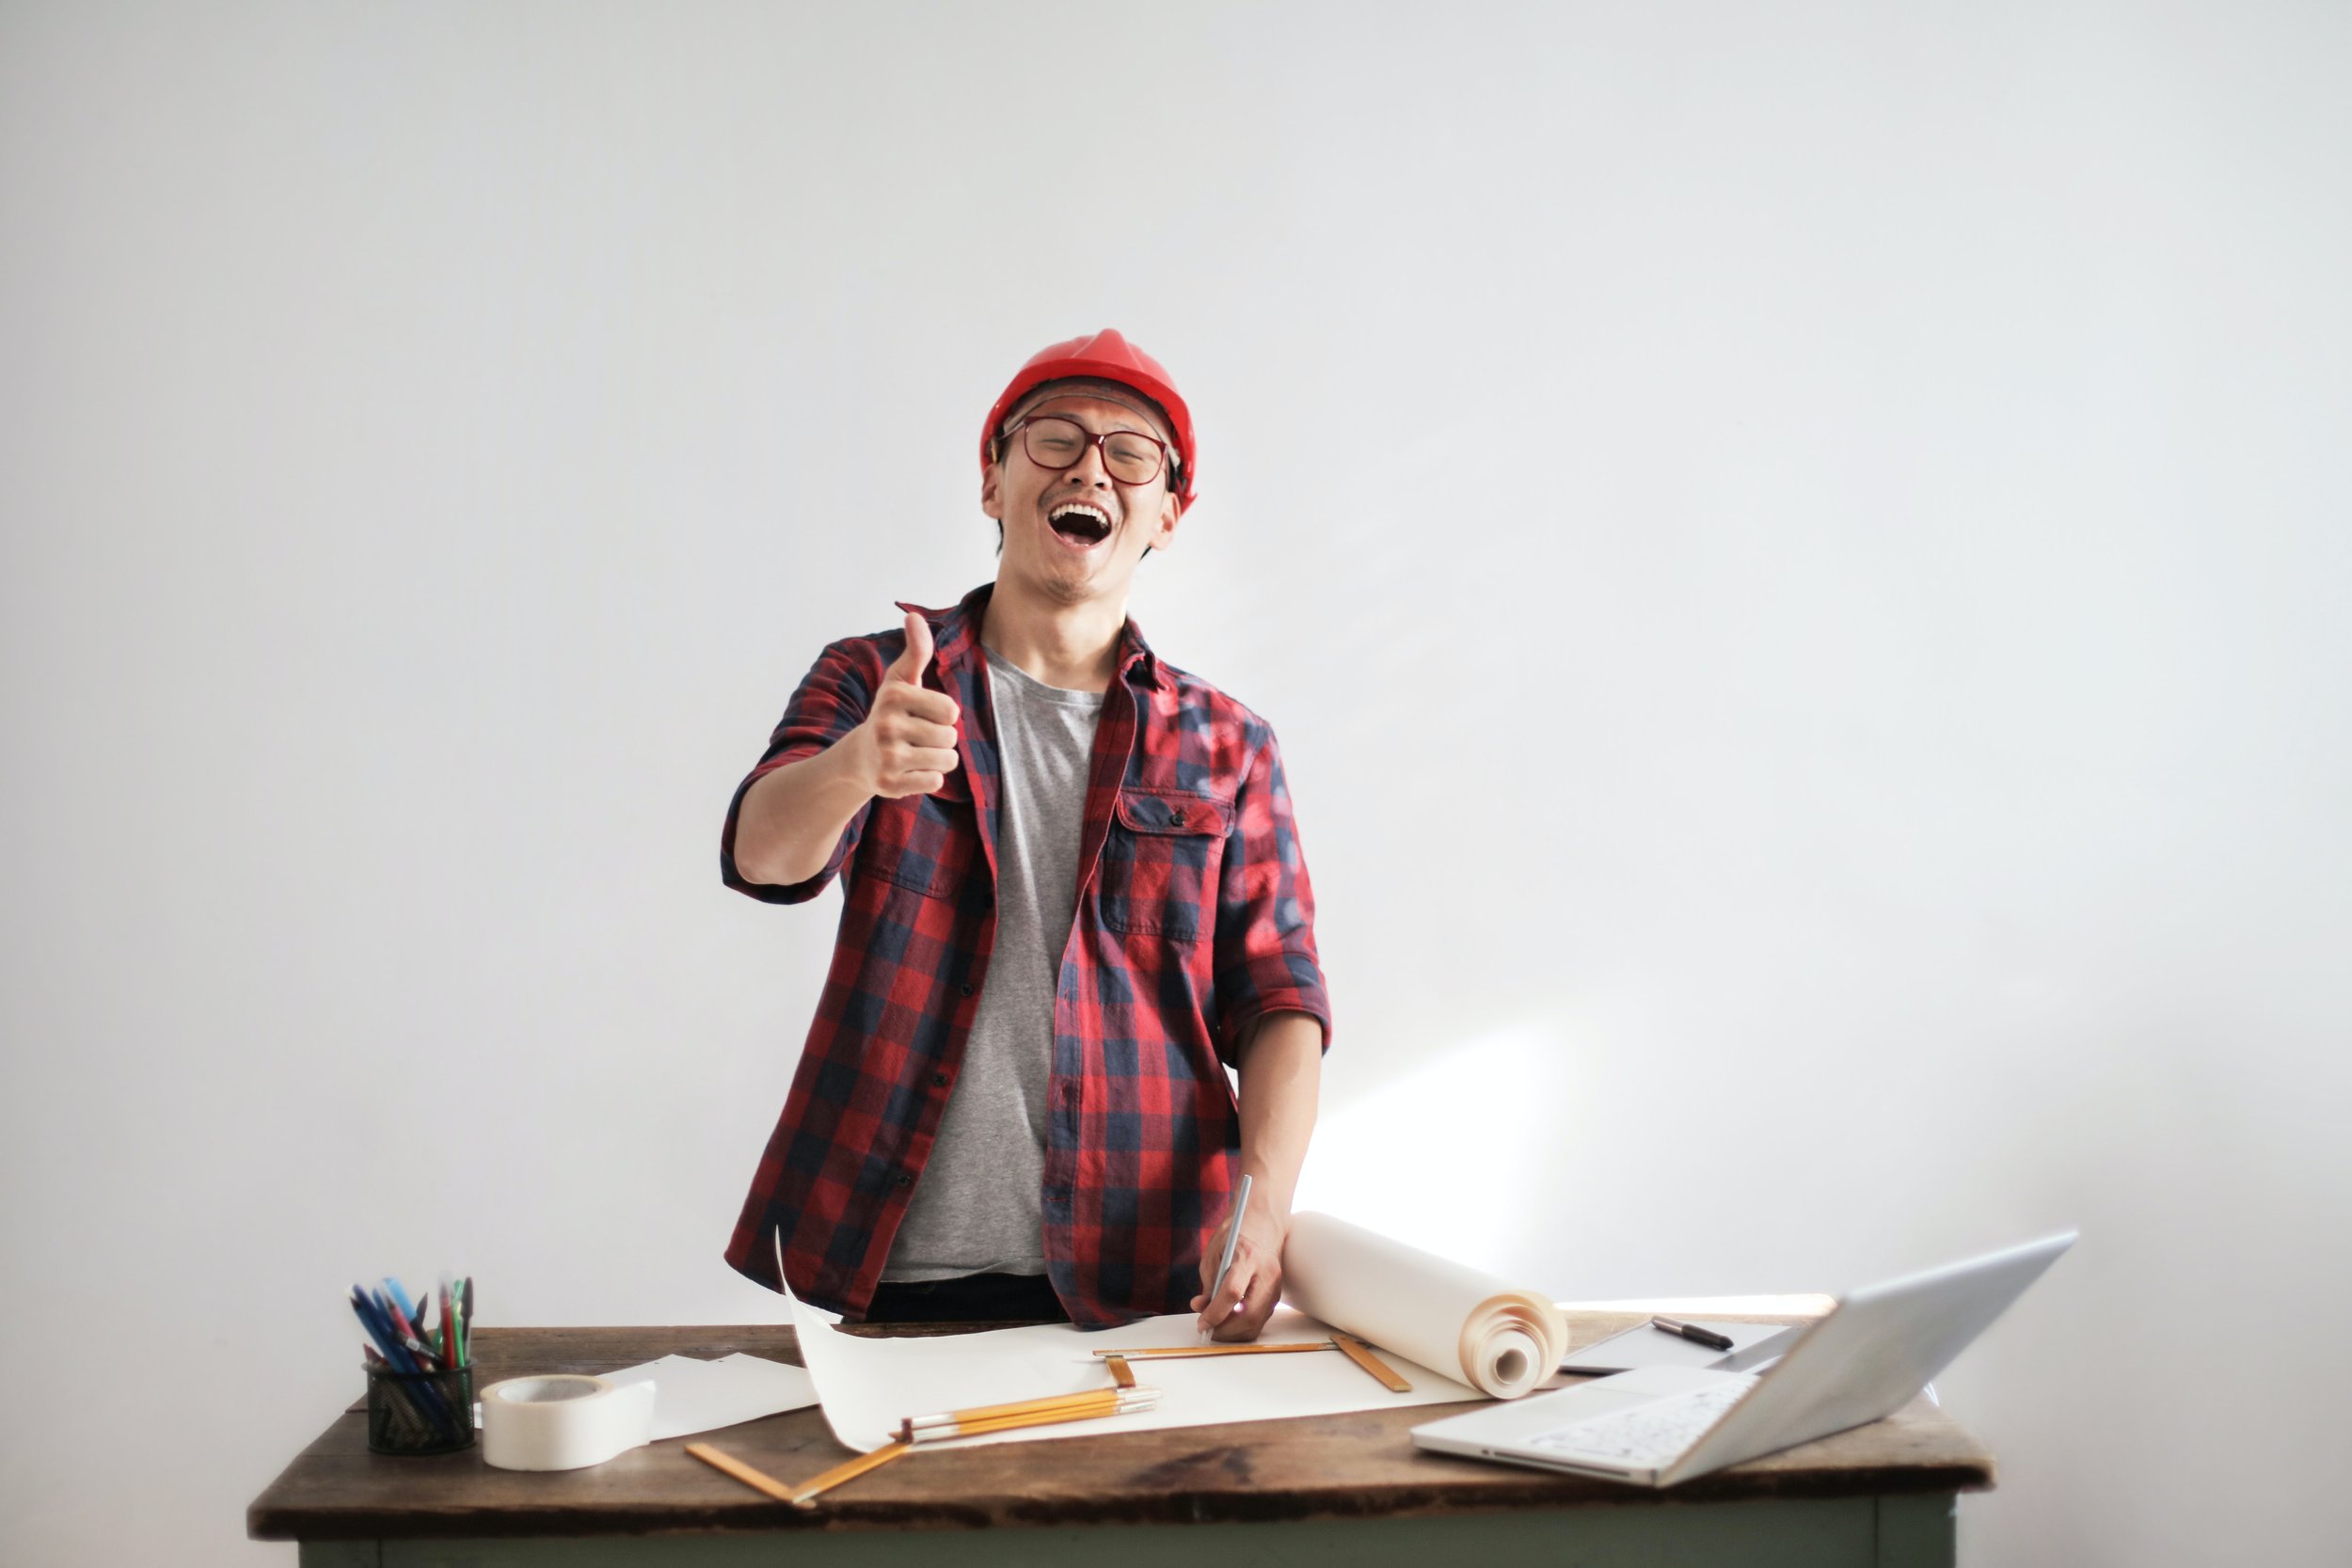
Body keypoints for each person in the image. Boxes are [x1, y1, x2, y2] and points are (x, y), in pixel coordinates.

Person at [719, 329, 1330, 1338]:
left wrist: (1264, 1213)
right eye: (1053, 438)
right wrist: (855, 767)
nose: (1089, 465)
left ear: (1169, 514)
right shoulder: (884, 685)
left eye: (1129, 452)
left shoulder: (1229, 744)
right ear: (992, 481)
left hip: (1151, 1280)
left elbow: (1280, 1002)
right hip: (904, 1275)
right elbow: (760, 854)